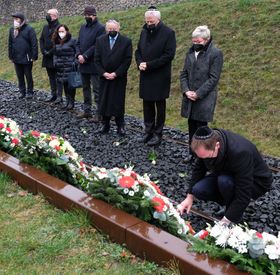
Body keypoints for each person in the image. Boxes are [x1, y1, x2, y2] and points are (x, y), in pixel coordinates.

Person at [177, 126, 273, 226]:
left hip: (256, 181)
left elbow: (244, 191)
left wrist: (228, 219)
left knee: (224, 182)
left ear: (217, 145)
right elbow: (199, 169)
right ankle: (231, 205)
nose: (205, 160)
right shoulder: (206, 142)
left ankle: (234, 214)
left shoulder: (240, 153)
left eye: (207, 157)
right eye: (202, 157)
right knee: (198, 190)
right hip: (227, 172)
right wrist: (189, 197)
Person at [180, 26, 223, 161]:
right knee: (191, 126)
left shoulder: (215, 53)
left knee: (202, 128)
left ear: (207, 39)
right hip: (189, 96)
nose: (195, 44)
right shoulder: (190, 52)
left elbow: (213, 78)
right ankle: (192, 153)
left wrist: (198, 94)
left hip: (204, 98)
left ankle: (203, 156)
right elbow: (184, 74)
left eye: (198, 41)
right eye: (194, 41)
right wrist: (186, 90)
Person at [135, 7, 176, 146]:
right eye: (146, 21)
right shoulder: (144, 31)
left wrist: (149, 65)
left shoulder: (168, 33)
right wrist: (140, 62)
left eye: (151, 21)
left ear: (158, 19)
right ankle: (148, 131)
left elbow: (169, 55)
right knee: (147, 104)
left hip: (160, 75)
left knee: (159, 105)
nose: (148, 23)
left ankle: (158, 133)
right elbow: (138, 51)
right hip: (146, 74)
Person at [95, 20, 132, 136]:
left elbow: (127, 60)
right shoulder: (100, 40)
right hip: (104, 77)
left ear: (118, 28)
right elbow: (96, 59)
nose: (111, 31)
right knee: (104, 100)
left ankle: (120, 126)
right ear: (106, 30)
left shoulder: (126, 41)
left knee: (118, 101)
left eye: (114, 29)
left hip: (119, 77)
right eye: (109, 29)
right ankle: (105, 124)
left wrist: (116, 73)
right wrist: (103, 73)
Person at [76, 5, 105, 120]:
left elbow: (97, 45)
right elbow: (78, 43)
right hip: (82, 63)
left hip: (93, 63)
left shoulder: (100, 28)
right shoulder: (83, 27)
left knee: (97, 89)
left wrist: (85, 55)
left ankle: (99, 112)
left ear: (94, 15)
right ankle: (87, 110)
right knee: (85, 88)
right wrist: (78, 55)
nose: (87, 17)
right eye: (85, 15)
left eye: (89, 15)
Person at [8, 12, 38, 99]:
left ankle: (30, 91)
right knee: (19, 75)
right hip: (16, 57)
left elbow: (34, 43)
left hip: (27, 57)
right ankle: (22, 91)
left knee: (28, 75)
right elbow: (10, 43)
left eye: (17, 19)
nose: (15, 21)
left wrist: (34, 56)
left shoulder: (29, 29)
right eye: (14, 19)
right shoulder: (12, 29)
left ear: (21, 20)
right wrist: (10, 56)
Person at [52, 24, 77, 110]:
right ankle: (67, 101)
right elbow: (55, 54)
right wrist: (55, 62)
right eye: (59, 31)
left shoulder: (72, 41)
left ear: (66, 31)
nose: (61, 33)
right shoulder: (57, 41)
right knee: (64, 84)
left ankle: (71, 102)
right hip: (60, 67)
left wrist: (74, 62)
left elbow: (77, 52)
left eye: (63, 31)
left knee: (71, 85)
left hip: (70, 66)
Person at [39, 9, 60, 102]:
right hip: (46, 56)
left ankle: (59, 96)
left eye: (49, 14)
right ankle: (53, 94)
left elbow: (60, 42)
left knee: (58, 76)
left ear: (55, 16)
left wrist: (50, 52)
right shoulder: (45, 27)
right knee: (51, 76)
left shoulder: (60, 27)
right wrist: (43, 50)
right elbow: (41, 39)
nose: (47, 16)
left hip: (55, 56)